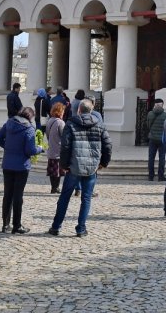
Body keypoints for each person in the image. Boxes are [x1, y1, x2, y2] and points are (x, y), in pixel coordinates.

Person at [48, 97, 111, 237]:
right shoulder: (100, 125)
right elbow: (108, 145)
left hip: (73, 166)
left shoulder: (70, 124)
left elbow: (65, 146)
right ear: (91, 110)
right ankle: (81, 229)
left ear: (78, 110)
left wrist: (64, 165)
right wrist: (103, 163)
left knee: (65, 197)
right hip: (91, 167)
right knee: (86, 198)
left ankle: (56, 226)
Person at [0, 105, 42, 234]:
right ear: (31, 116)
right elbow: (30, 150)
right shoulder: (29, 128)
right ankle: (17, 225)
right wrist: (40, 149)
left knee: (7, 194)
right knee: (18, 196)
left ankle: (5, 225)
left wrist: (8, 147)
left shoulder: (9, 123)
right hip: (21, 166)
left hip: (7, 164)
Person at [44, 102, 67, 194]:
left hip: (51, 148)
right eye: (63, 111)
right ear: (60, 111)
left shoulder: (49, 121)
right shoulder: (60, 122)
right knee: (57, 171)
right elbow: (64, 136)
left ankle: (53, 187)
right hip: (58, 149)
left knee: (52, 170)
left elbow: (47, 134)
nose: (64, 113)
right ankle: (56, 187)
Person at [145, 98, 166, 182]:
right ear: (162, 105)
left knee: (151, 157)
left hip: (152, 138)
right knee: (162, 158)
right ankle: (160, 176)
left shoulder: (150, 114)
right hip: (162, 139)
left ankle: (150, 176)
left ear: (154, 105)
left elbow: (148, 125)